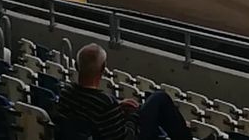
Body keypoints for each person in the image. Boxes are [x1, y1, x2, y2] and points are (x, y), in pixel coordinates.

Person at [55, 43, 190, 140]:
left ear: (77, 66)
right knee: (159, 98)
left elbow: (85, 114)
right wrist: (133, 115)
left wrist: (118, 108)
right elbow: (127, 136)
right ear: (103, 69)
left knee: (153, 102)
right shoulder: (105, 103)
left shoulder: (66, 92)